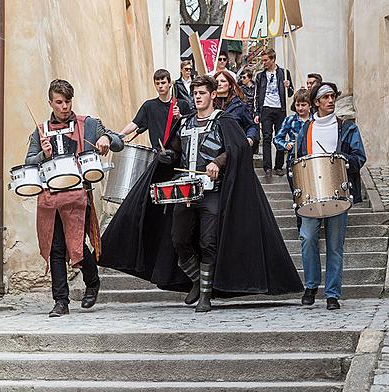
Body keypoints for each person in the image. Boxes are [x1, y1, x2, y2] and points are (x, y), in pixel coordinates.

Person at [99, 75, 303, 313]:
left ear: (213, 95)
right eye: (195, 93)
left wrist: (218, 161)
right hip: (185, 192)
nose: (197, 97)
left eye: (202, 93)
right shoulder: (185, 123)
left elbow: (236, 149)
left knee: (208, 242)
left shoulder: (223, 121)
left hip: (212, 192)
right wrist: (167, 157)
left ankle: (206, 295)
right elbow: (175, 151)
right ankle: (197, 279)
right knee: (179, 240)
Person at [25, 79, 124, 317]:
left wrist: (106, 139)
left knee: (76, 245)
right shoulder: (40, 131)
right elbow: (28, 161)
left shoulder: (88, 124)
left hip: (79, 195)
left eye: (67, 101)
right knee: (55, 248)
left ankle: (92, 280)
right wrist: (42, 154)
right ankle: (61, 301)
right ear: (50, 102)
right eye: (59, 102)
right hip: (50, 197)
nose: (64, 107)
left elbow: (118, 141)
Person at [296, 82, 366, 310]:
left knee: (335, 245)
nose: (330, 100)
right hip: (311, 195)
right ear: (316, 102)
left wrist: (341, 160)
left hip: (339, 192)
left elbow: (359, 157)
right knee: (307, 238)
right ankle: (311, 286)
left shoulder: (347, 128)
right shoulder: (306, 129)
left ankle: (333, 293)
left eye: (332, 96)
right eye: (325, 97)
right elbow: (296, 162)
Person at [120, 69, 191, 149]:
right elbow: (134, 124)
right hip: (158, 154)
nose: (160, 86)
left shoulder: (182, 105)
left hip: (178, 155)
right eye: (157, 83)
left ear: (170, 84)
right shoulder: (149, 106)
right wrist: (118, 136)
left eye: (163, 83)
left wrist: (179, 116)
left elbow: (190, 127)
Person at [274, 88, 312, 231]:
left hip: (311, 160)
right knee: (297, 194)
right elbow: (277, 138)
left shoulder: (314, 120)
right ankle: (300, 224)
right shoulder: (290, 120)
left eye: (303, 105)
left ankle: (312, 223)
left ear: (309, 105)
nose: (300, 108)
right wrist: (286, 144)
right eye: (297, 105)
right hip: (293, 161)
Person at [254, 48, 294, 177]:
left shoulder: (284, 73)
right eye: (262, 60)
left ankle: (278, 166)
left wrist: (289, 86)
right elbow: (257, 95)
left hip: (280, 109)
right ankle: (267, 167)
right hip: (266, 108)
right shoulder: (260, 76)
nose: (263, 63)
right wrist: (257, 113)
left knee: (280, 137)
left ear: (273, 59)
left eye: (266, 60)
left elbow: (291, 93)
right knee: (266, 137)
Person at [215, 70, 259, 149]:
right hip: (213, 149)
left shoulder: (239, 106)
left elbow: (250, 126)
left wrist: (249, 138)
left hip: (234, 148)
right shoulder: (208, 104)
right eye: (216, 81)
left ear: (230, 85)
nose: (219, 84)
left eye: (223, 81)